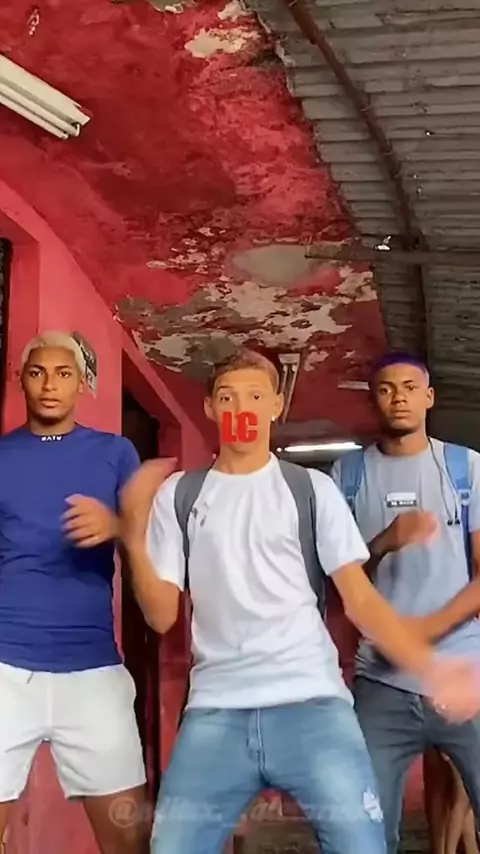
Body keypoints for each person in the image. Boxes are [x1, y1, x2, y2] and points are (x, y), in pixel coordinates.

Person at [120, 347, 480, 854]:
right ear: (210, 409)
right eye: (227, 397)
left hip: (313, 706)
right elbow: (161, 616)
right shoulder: (181, 495)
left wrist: (431, 667)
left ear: (276, 406)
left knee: (362, 846)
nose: (241, 408)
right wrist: (134, 531)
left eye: (254, 396)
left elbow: (361, 601)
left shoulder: (311, 489)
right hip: (216, 712)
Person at [0, 332, 148, 854]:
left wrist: (117, 525)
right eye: (37, 373)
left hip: (92, 668)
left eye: (63, 374)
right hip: (5, 666)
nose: (49, 385)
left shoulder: (115, 453)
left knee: (128, 839)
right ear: (20, 381)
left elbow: (151, 542)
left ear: (82, 384)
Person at [332, 350, 480, 854]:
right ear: (373, 400)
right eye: (386, 389)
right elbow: (340, 579)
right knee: (365, 832)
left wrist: (425, 631)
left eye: (410, 388)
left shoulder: (465, 467)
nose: (399, 398)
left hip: (463, 674)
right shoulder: (347, 474)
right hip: (381, 684)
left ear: (429, 397)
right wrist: (383, 542)